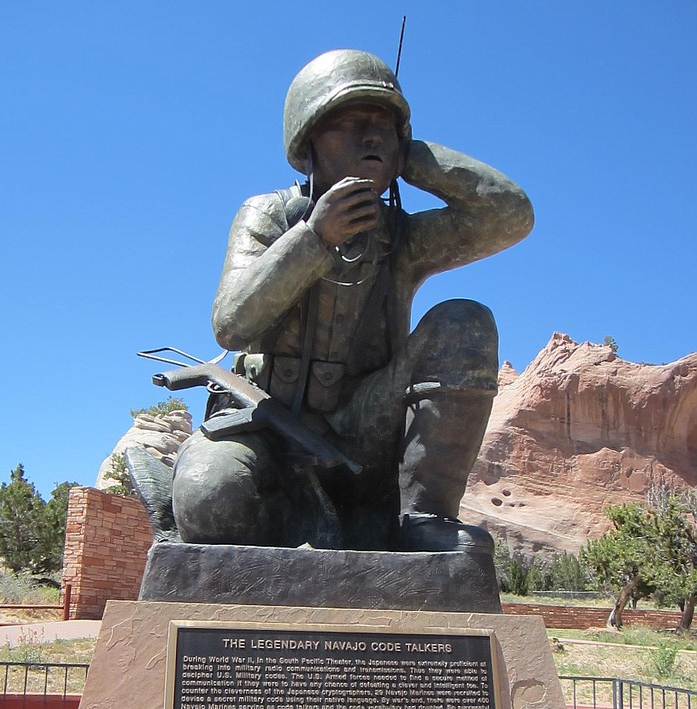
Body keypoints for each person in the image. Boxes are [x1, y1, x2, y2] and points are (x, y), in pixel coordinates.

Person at [171, 49, 534, 552]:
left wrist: (414, 160)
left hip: (368, 428)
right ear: (309, 138)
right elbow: (232, 323)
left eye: (383, 127)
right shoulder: (269, 214)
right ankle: (294, 520)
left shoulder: (401, 237)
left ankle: (424, 519)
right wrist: (313, 239)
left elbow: (510, 216)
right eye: (349, 123)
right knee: (209, 500)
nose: (370, 138)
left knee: (465, 322)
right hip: (268, 423)